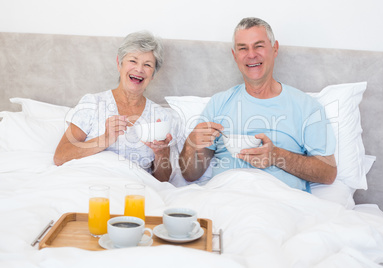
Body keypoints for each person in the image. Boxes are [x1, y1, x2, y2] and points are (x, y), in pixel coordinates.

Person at [179, 17, 337, 192]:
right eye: (243, 48)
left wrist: (276, 156)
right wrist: (190, 144)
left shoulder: (306, 106)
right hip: (225, 196)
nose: (251, 54)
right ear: (235, 55)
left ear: (275, 48)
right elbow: (190, 174)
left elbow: (328, 172)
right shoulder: (219, 103)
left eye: (258, 46)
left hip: (280, 202)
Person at [54, 31, 173, 182]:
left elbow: (163, 180)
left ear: (153, 74)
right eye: (133, 61)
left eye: (148, 65)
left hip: (133, 190)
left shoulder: (160, 117)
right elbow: (60, 156)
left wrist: (161, 154)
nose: (139, 69)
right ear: (119, 63)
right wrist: (105, 139)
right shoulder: (92, 103)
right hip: (89, 184)